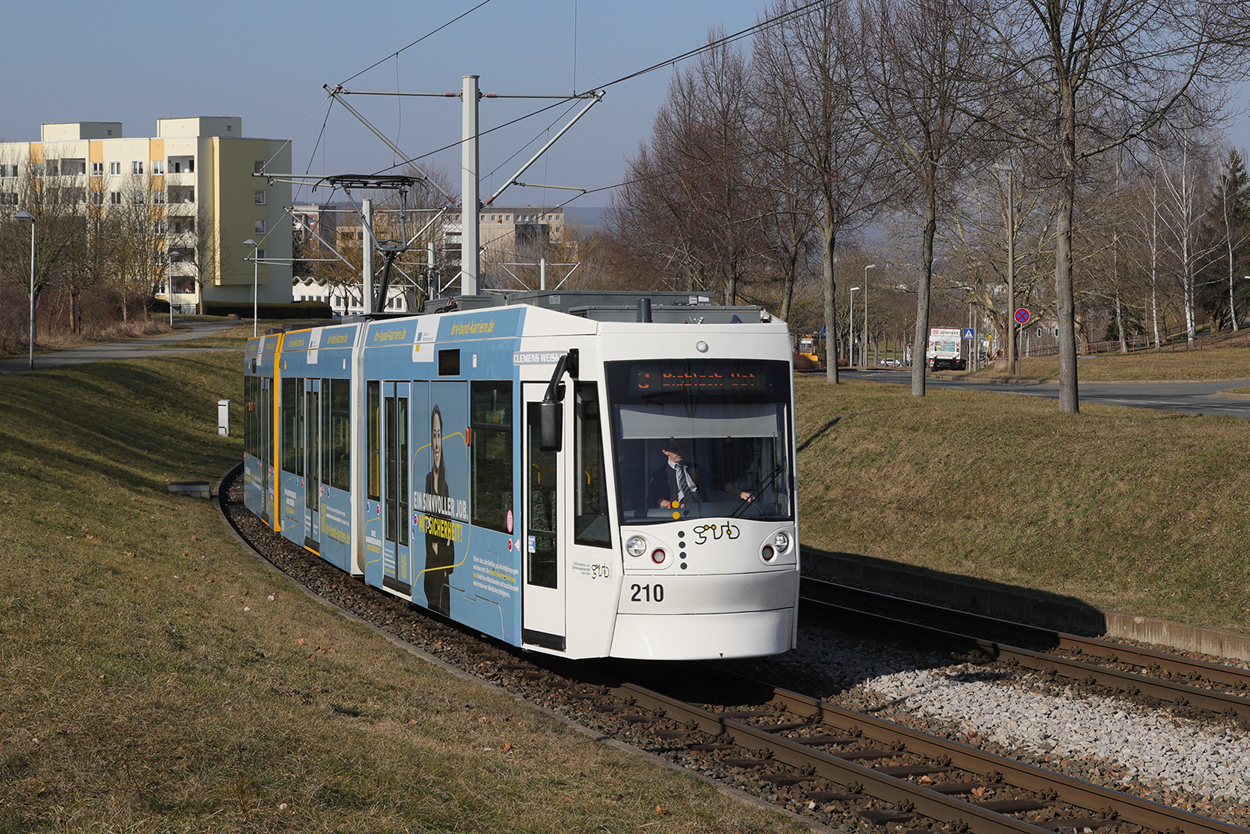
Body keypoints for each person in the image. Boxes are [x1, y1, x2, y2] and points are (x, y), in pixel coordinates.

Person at [424, 404, 453, 616]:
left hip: (442, 568)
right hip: (431, 567)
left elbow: (449, 528)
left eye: (439, 435)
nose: (436, 443)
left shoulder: (445, 484)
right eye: (433, 435)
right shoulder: (428, 480)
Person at [649, 438, 700, 508]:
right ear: (665, 451)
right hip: (676, 511)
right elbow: (656, 500)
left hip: (700, 510)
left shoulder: (694, 468)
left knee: (690, 497)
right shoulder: (660, 474)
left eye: (682, 448)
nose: (680, 451)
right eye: (675, 449)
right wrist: (674, 505)